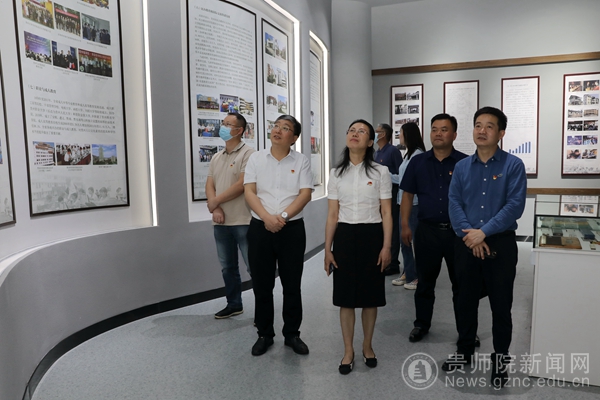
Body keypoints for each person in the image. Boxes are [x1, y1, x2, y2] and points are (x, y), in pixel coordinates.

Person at [444, 107, 527, 389]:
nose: (482, 130)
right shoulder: (462, 167)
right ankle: (465, 350)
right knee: (464, 300)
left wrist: (484, 233)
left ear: (501, 133)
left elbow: (514, 206)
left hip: (500, 243)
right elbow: (454, 202)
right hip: (466, 241)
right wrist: (471, 236)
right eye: (478, 125)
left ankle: (500, 361)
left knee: (501, 305)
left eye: (489, 126)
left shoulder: (513, 165)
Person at [324, 120, 393, 375]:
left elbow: (387, 213)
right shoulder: (336, 173)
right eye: (352, 130)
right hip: (344, 236)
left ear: (371, 142)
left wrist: (387, 247)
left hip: (372, 235)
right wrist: (327, 249)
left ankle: (367, 346)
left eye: (362, 131)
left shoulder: (380, 172)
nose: (355, 133)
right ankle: (348, 350)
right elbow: (332, 215)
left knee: (370, 297)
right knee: (346, 298)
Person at [244, 114, 313, 356]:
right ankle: (264, 334)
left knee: (292, 285)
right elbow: (249, 192)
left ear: (293, 138)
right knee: (262, 285)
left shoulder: (301, 161)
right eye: (276, 126)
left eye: (285, 128)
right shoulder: (256, 158)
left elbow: (305, 194)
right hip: (260, 228)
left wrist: (281, 217)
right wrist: (266, 217)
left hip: (291, 230)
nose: (277, 130)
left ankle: (292, 334)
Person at [399, 114, 468, 343]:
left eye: (444, 129)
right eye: (434, 129)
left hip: (458, 233)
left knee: (462, 284)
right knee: (425, 283)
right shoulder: (418, 162)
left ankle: (466, 330)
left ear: (454, 135)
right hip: (426, 231)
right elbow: (407, 195)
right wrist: (405, 225)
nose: (438, 133)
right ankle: (421, 324)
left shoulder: (465, 163)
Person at [206, 112, 255, 319]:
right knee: (228, 267)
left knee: (254, 268)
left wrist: (216, 201)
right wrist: (215, 208)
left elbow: (242, 185)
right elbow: (210, 184)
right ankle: (234, 304)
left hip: (244, 220)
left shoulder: (249, 154)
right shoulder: (217, 157)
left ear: (239, 130)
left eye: (228, 124)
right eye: (223, 123)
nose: (223, 127)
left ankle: (263, 311)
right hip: (221, 222)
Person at [390, 122, 426, 289]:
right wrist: (386, 174)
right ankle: (408, 272)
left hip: (414, 204)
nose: (399, 136)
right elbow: (402, 179)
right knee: (404, 241)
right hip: (403, 202)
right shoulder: (408, 154)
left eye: (401, 133)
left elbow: (412, 182)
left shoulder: (418, 155)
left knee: (413, 241)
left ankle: (416, 276)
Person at [374, 123, 403, 276]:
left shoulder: (393, 151)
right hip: (378, 196)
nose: (374, 133)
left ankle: (393, 263)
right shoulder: (376, 153)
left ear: (383, 134)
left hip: (391, 195)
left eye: (376, 131)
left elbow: (401, 176)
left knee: (392, 229)